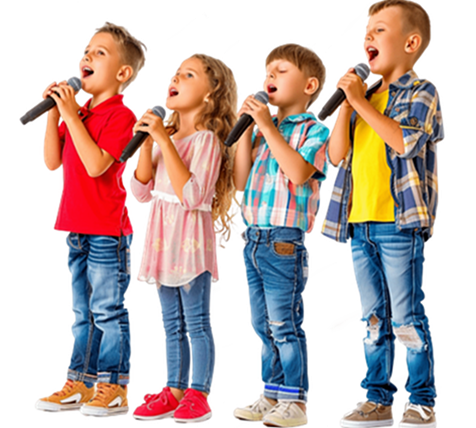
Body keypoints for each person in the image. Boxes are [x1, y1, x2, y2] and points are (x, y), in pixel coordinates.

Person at [321, 1, 443, 427]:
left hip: (399, 225)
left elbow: (404, 142)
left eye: (380, 29)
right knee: (373, 319)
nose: (368, 36)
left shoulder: (421, 91)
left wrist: (361, 103)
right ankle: (377, 398)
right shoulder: (363, 97)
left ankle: (422, 399)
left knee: (406, 317)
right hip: (359, 225)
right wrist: (348, 105)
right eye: (367, 30)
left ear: (410, 43)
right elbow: (336, 154)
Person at [35, 23, 146, 416]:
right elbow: (52, 161)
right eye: (86, 50)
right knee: (83, 313)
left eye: (100, 52)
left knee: (107, 311)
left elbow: (97, 164)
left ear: (122, 73)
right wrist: (56, 113)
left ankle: (113, 385)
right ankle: (80, 381)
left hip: (106, 233)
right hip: (77, 229)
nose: (87, 56)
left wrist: (70, 115)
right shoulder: (78, 113)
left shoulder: (121, 116)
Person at [130, 54, 237, 423]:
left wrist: (164, 139)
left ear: (210, 93)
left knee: (196, 322)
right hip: (162, 244)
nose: (175, 78)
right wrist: (148, 144)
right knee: (171, 324)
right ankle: (174, 389)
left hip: (190, 245)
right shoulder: (167, 138)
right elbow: (141, 192)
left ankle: (198, 393)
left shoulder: (206, 140)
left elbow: (192, 196)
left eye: (188, 75)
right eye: (176, 73)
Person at [233, 44, 328, 427]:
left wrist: (268, 128)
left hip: (284, 242)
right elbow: (240, 181)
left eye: (281, 70)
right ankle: (272, 393)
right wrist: (246, 131)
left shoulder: (313, 130)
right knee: (262, 324)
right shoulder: (261, 131)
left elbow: (299, 172)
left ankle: (295, 401)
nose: (270, 76)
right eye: (267, 71)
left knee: (284, 324)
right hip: (254, 238)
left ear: (309, 85)